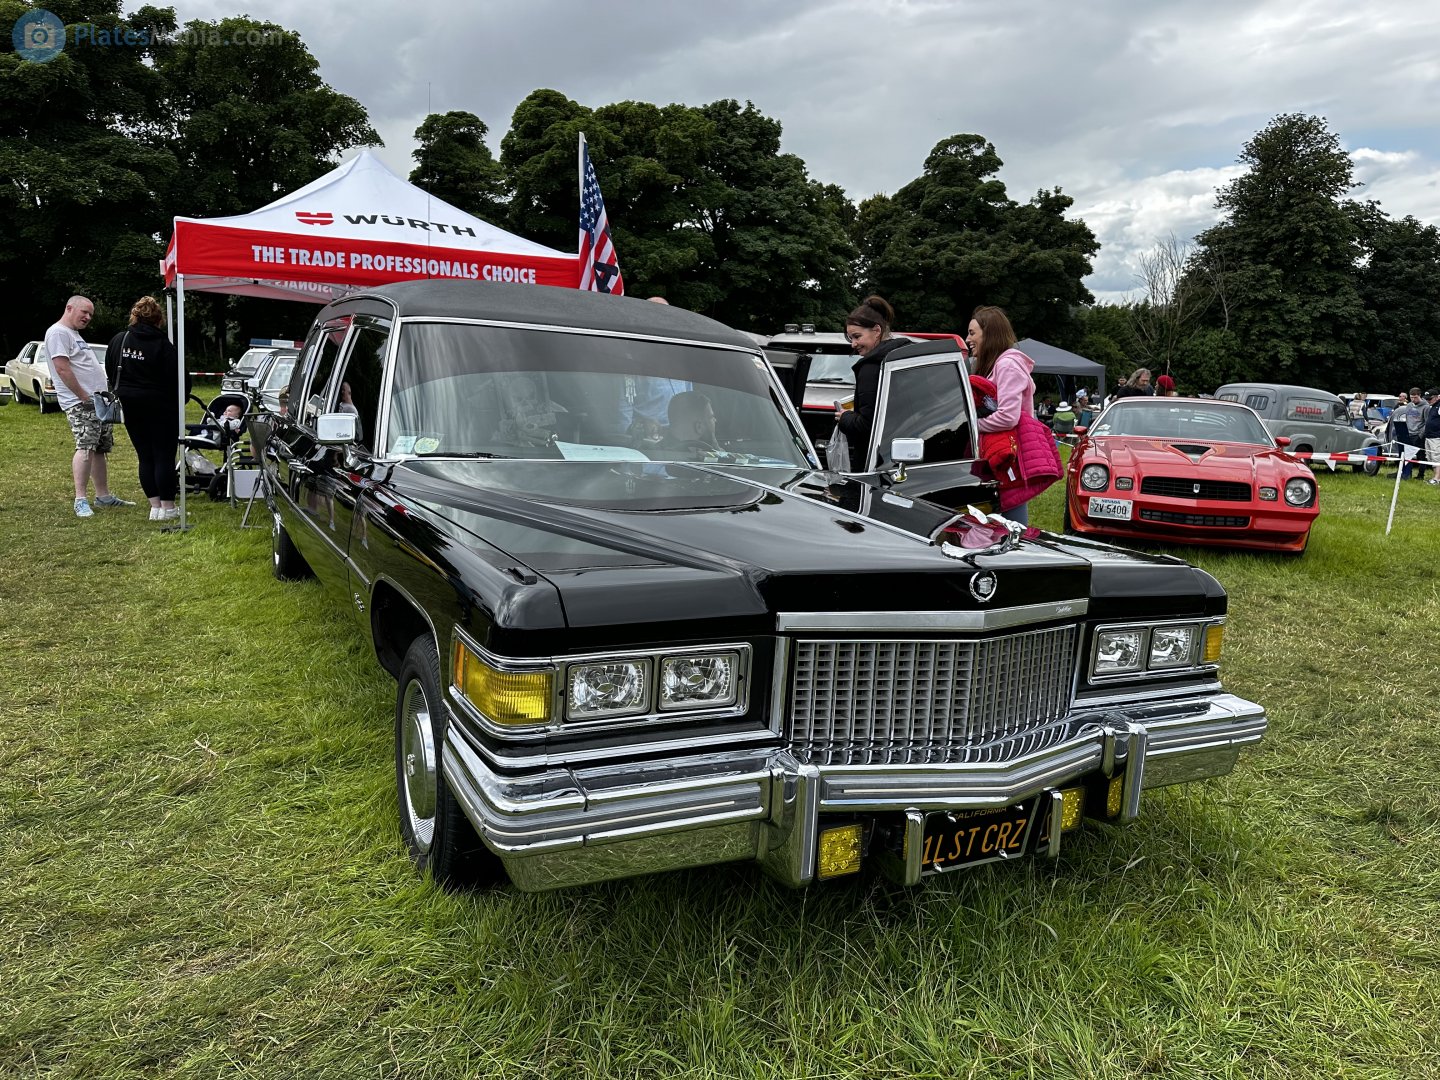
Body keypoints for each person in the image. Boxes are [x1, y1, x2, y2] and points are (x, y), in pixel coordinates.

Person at [967, 305, 1058, 526]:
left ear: (989, 334)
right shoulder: (997, 365)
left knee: (1011, 524)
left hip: (1009, 456)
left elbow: (1008, 417)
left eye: (972, 333)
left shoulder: (1007, 365)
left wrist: (972, 425)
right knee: (1002, 519)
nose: (967, 339)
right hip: (999, 453)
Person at [49, 295, 133, 517]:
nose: (87, 317)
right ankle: (80, 499)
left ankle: (103, 496)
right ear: (69, 308)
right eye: (84, 312)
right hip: (81, 403)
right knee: (85, 446)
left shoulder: (74, 334)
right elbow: (62, 368)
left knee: (99, 448)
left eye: (90, 315)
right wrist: (83, 396)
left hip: (97, 402)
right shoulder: (58, 332)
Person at [106, 296, 187, 521]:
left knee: (145, 455)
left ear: (134, 316)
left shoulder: (119, 340)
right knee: (163, 456)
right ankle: (168, 508)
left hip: (131, 405)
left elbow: (111, 372)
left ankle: (154, 507)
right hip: (160, 406)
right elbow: (179, 378)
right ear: (158, 319)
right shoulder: (163, 345)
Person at [834, 295, 910, 470]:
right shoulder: (903, 357)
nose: (853, 344)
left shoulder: (870, 367)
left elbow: (867, 426)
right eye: (850, 338)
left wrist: (845, 418)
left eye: (857, 336)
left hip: (875, 462)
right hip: (904, 458)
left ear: (877, 330)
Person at [1422, 389, 1440, 485]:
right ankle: (1435, 477)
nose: (1428, 401)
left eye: (1430, 399)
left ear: (1437, 397)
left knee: (1437, 457)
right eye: (1427, 399)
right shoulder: (1432, 406)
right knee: (1431, 458)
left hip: (1437, 437)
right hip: (1429, 436)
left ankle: (1437, 479)